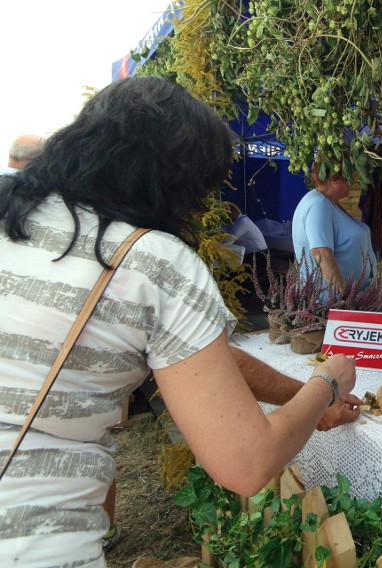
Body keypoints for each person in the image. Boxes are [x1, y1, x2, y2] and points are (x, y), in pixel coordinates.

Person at [0, 76, 360, 567]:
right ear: (177, 181)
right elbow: (247, 463)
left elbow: (204, 363)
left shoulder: (14, 215)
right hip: (34, 540)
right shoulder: (150, 261)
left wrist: (302, 399)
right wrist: (327, 383)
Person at [292, 161, 378, 292]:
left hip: (352, 297)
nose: (352, 181)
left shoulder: (327, 202)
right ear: (334, 179)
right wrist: (345, 298)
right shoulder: (318, 205)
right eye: (348, 176)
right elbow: (321, 252)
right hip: (330, 302)